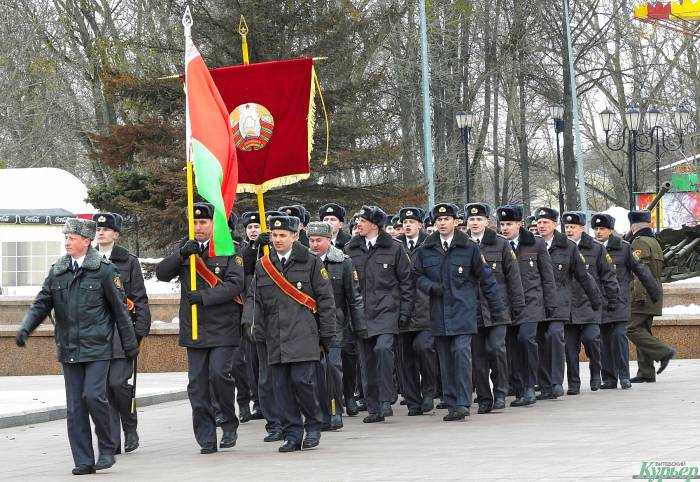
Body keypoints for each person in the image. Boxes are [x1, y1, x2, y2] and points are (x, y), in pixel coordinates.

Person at [15, 218, 138, 475]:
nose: (67, 242)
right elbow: (41, 303)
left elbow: (120, 311)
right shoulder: (58, 270)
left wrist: (130, 346)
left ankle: (106, 447)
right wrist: (26, 328)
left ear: (86, 241)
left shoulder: (104, 271)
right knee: (75, 407)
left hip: (98, 348)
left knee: (93, 396)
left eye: (71, 238)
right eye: (66, 238)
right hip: (70, 349)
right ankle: (83, 459)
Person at [155, 202, 245, 454]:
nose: (198, 227)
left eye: (203, 222)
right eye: (194, 223)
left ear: (214, 224)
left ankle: (228, 422)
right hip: (194, 327)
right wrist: (181, 254)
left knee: (219, 376)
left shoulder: (229, 248)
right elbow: (162, 273)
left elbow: (235, 284)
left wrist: (205, 297)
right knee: (197, 385)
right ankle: (206, 436)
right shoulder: (187, 248)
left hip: (223, 326)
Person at [243, 215, 336, 452]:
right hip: (275, 336)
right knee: (280, 388)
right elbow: (254, 299)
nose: (277, 240)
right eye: (274, 235)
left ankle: (313, 426)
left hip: (303, 335)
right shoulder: (263, 265)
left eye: (282, 235)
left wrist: (326, 335)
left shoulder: (311, 262)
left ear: (295, 237)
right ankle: (292, 433)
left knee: (303, 383)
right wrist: (251, 323)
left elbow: (326, 300)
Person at [414, 202, 505, 421]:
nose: (442, 223)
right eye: (438, 220)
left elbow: (487, 279)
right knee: (445, 360)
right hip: (439, 313)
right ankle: (452, 402)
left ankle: (463, 402)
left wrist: (497, 310)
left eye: (447, 219)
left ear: (456, 222)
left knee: (462, 354)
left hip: (464, 312)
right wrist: (430, 287)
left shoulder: (469, 247)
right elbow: (416, 276)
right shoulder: (426, 249)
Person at [344, 206, 413, 423]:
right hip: (361, 313)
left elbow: (407, 283)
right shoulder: (351, 249)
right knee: (366, 360)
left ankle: (386, 399)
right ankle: (373, 406)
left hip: (387, 310)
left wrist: (405, 312)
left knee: (383, 350)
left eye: (362, 221)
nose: (358, 225)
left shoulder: (394, 248)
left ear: (374, 224)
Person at [93, 212, 151, 454]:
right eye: (98, 228)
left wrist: (139, 331)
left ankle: (129, 426)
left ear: (116, 234)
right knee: (103, 389)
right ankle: (111, 439)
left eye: (106, 229)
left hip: (121, 332)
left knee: (118, 384)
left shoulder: (128, 261)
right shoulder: (88, 258)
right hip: (95, 335)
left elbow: (139, 299)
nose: (101, 232)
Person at [534, 207, 600, 400]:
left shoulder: (568, 246)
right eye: (539, 222)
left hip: (559, 303)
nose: (541, 226)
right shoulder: (530, 245)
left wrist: (595, 300)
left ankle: (556, 383)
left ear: (555, 225)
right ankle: (544, 385)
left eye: (546, 222)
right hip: (536, 304)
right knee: (539, 342)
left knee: (555, 336)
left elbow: (583, 276)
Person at [465, 202, 525, 413]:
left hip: (498, 309)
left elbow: (513, 278)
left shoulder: (501, 245)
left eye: (479, 219)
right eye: (471, 219)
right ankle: (483, 397)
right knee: (477, 356)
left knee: (496, 349)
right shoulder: (461, 245)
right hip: (472, 311)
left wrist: (517, 307)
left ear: (487, 223)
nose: (475, 223)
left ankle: (500, 391)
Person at [591, 213, 661, 389]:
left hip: (620, 300)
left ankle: (624, 376)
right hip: (600, 302)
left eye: (602, 229)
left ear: (610, 230)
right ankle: (609, 378)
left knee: (619, 336)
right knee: (604, 341)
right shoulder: (589, 248)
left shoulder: (624, 248)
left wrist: (653, 291)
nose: (598, 232)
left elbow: (641, 270)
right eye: (596, 229)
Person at [307, 221, 366, 429]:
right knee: (315, 369)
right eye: (311, 240)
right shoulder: (303, 263)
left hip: (335, 324)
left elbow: (354, 297)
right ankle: (320, 411)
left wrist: (360, 327)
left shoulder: (343, 262)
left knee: (332, 367)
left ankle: (335, 411)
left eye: (319, 241)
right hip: (308, 325)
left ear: (329, 240)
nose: (314, 245)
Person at [497, 204, 557, 407]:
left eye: (509, 224)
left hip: (532, 302)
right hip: (508, 305)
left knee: (526, 339)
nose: (505, 228)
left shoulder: (536, 244)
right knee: (512, 347)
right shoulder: (497, 245)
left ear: (520, 224)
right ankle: (520, 388)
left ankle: (531, 386)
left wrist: (551, 305)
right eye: (502, 224)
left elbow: (548, 278)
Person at [562, 211, 619, 394]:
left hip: (590, 305)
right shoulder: (561, 248)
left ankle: (596, 372)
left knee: (591, 339)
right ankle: (573, 382)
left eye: (573, 227)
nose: (569, 230)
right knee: (570, 348)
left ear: (582, 228)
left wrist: (612, 300)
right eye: (567, 227)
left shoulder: (596, 248)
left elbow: (608, 276)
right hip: (568, 307)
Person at [396, 207, 438, 415]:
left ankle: (429, 391)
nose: (407, 225)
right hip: (402, 309)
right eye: (404, 222)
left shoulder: (430, 245)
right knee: (405, 358)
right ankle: (413, 400)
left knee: (424, 349)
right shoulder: (395, 247)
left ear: (420, 225)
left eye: (412, 221)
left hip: (425, 308)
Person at [626, 210, 675, 383]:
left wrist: (637, 297)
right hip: (653, 294)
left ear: (633, 226)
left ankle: (663, 352)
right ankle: (646, 372)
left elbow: (640, 271)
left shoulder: (638, 243)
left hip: (643, 295)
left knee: (630, 328)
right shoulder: (654, 242)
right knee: (643, 330)